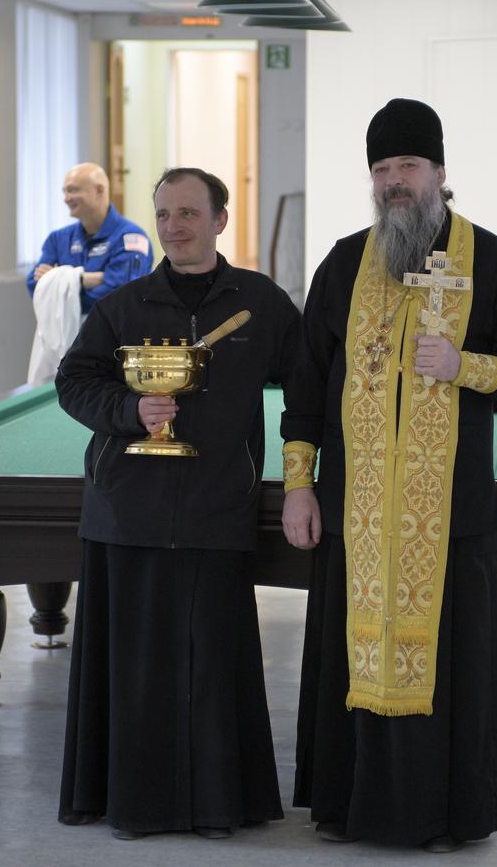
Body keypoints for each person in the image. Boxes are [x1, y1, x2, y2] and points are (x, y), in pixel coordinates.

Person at [281, 98, 497, 852]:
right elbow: (306, 387)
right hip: (355, 515)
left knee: (454, 670)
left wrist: (466, 367)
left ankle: (444, 815)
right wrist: (298, 485)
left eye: (406, 166)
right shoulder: (343, 262)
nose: (394, 181)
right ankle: (346, 807)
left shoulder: (489, 258)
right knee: (349, 658)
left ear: (439, 172)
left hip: (452, 517)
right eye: (381, 169)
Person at [54, 167, 299, 840]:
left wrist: (303, 474)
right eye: (164, 214)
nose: (174, 226)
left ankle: (220, 806)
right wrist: (130, 409)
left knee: (214, 671)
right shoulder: (123, 306)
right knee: (134, 676)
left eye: (189, 213)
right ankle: (132, 807)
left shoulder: (261, 303)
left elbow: (307, 381)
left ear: (221, 220)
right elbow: (73, 381)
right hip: (125, 513)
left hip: (219, 510)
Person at [27, 162, 153, 314]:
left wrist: (63, 282)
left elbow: (121, 293)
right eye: (64, 191)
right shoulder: (58, 239)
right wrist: (87, 279)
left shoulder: (132, 238)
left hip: (118, 335)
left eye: (72, 190)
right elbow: (34, 284)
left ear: (99, 191)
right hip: (68, 336)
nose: (66, 198)